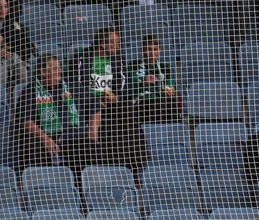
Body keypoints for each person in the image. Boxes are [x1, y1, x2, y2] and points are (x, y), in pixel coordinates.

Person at [68, 26, 146, 171]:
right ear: (103, 44)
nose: (118, 47)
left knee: (128, 109)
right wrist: (93, 100)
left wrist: (116, 98)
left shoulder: (118, 58)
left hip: (111, 102)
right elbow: (74, 85)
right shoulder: (82, 57)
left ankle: (134, 162)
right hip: (87, 104)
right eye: (115, 43)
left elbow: (124, 82)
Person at [14, 54, 88, 175]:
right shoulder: (29, 92)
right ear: (43, 72)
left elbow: (95, 107)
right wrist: (45, 139)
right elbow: (25, 121)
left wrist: (93, 132)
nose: (60, 71)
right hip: (51, 141)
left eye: (59, 67)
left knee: (95, 149)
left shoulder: (71, 86)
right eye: (55, 69)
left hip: (77, 139)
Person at [126, 34, 178, 124]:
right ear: (142, 49)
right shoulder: (133, 66)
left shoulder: (165, 68)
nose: (152, 53)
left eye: (155, 49)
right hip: (141, 102)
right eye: (148, 49)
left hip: (160, 103)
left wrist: (168, 92)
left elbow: (171, 88)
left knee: (172, 105)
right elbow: (129, 90)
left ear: (160, 50)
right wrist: (143, 83)